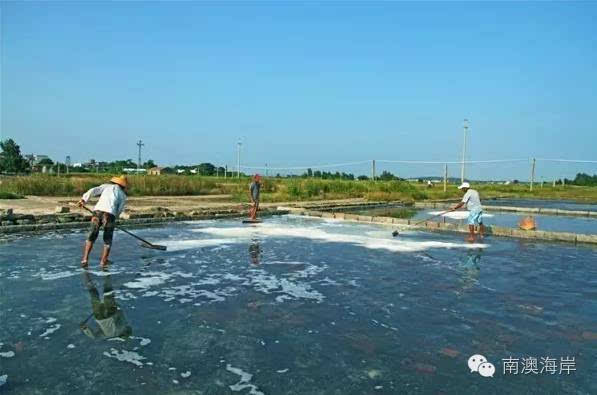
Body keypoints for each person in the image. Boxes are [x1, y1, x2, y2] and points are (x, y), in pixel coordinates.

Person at [78, 176, 128, 268]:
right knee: (107, 240)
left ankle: (85, 259)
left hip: (97, 212)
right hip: (109, 214)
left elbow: (93, 190)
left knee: (91, 236)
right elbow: (119, 210)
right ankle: (103, 261)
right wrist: (114, 219)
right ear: (123, 186)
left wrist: (83, 200)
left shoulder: (106, 186)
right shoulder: (123, 195)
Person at [80, 270, 132, 339]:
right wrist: (85, 329)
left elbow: (120, 313)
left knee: (108, 291)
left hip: (111, 313)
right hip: (99, 317)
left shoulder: (123, 327)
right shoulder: (108, 336)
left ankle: (105, 270)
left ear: (126, 331)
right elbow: (95, 336)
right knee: (93, 294)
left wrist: (116, 305)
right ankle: (85, 273)